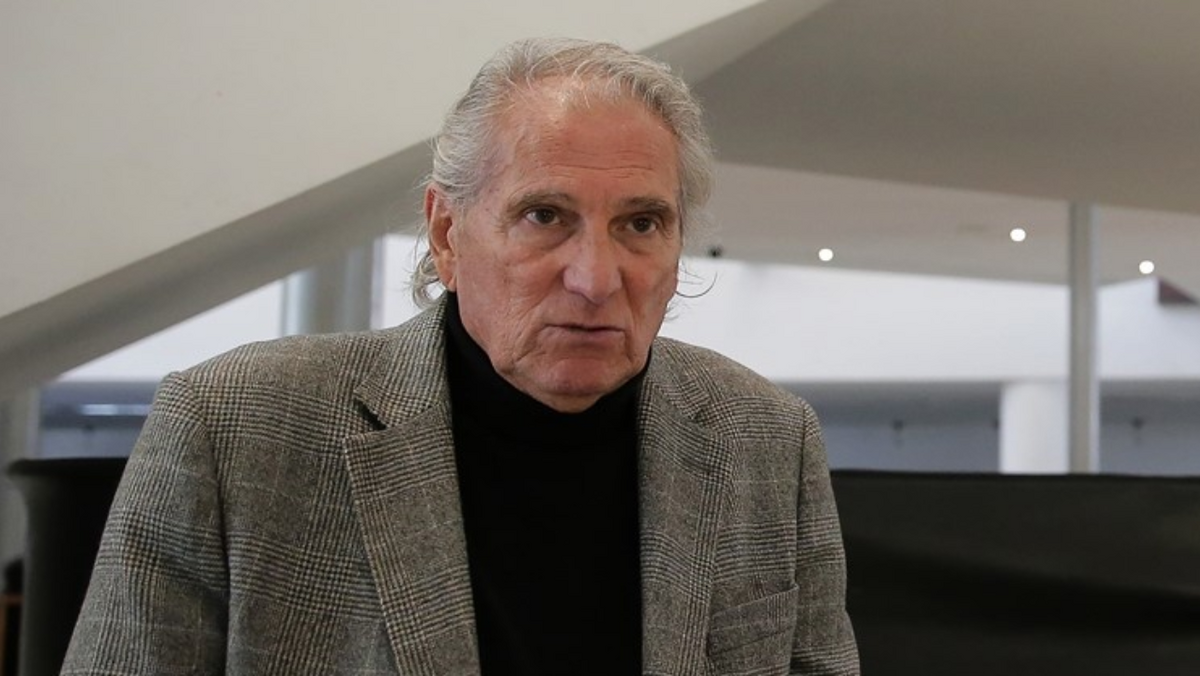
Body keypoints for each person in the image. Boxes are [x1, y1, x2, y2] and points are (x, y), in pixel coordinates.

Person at [63, 37, 859, 675]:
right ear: (447, 235)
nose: (595, 278)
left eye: (641, 224)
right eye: (545, 215)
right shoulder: (237, 427)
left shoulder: (765, 439)